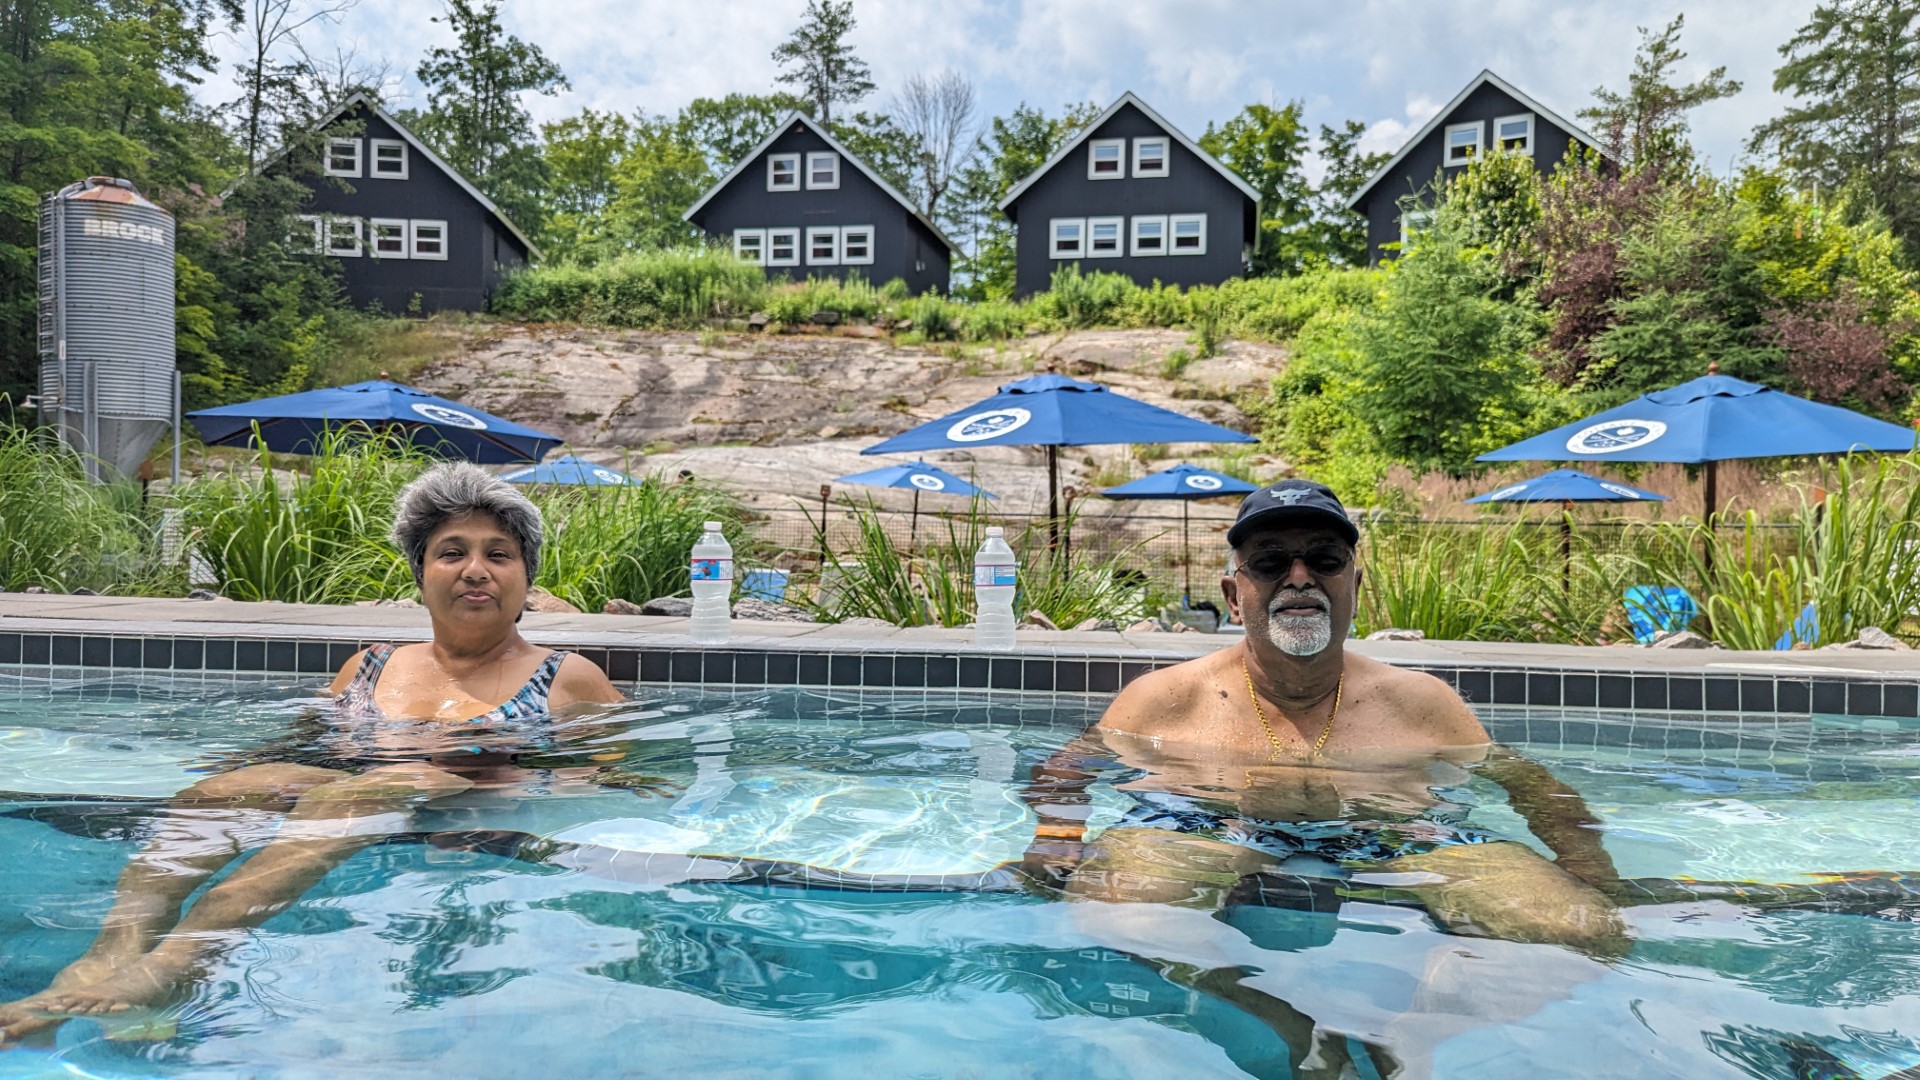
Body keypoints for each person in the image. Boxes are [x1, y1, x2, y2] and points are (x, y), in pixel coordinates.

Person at [0, 463, 625, 1044]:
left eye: (499, 554)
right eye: (451, 553)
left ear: (526, 577)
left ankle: (180, 964)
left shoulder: (567, 676)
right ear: (421, 572)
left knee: (368, 786)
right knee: (221, 791)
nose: (475, 570)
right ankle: (111, 953)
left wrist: (542, 787)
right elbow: (310, 743)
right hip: (355, 790)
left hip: (467, 805)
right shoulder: (371, 665)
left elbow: (626, 775)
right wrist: (243, 773)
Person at [1020, 479, 1628, 952]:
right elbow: (1067, 769)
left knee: (1581, 927)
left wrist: (1589, 870)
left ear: (1354, 586)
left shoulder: (1422, 702)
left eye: (1324, 561)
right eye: (1270, 563)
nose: (1300, 577)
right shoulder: (1166, 698)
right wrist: (1055, 841)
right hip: (1205, 828)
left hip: (1397, 839)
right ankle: (1242, 1001)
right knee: (1109, 911)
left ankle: (1409, 1034)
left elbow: (1531, 785)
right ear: (1236, 597)